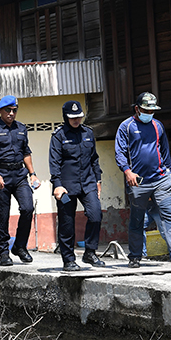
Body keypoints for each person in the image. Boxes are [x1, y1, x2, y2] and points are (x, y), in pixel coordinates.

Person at [115, 92, 171, 268]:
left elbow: (165, 152)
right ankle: (135, 256)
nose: (149, 114)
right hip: (139, 182)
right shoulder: (126, 127)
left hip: (161, 179)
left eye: (152, 111)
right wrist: (127, 172)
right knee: (137, 219)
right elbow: (119, 153)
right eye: (145, 110)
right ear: (137, 109)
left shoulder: (158, 126)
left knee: (169, 214)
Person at [0, 95, 40, 266]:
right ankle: (4, 252)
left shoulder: (21, 128)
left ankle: (20, 246)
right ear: (0, 110)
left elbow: (26, 152)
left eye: (14, 110)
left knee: (28, 208)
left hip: (20, 174)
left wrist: (32, 173)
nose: (11, 113)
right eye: (8, 110)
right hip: (1, 174)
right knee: (3, 214)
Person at [48, 100, 104, 272]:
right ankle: (68, 260)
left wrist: (98, 180)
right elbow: (54, 162)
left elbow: (94, 158)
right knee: (67, 224)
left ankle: (90, 252)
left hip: (88, 183)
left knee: (95, 214)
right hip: (66, 185)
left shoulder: (88, 133)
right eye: (72, 117)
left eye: (79, 117)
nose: (76, 120)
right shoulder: (59, 136)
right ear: (65, 116)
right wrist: (57, 184)